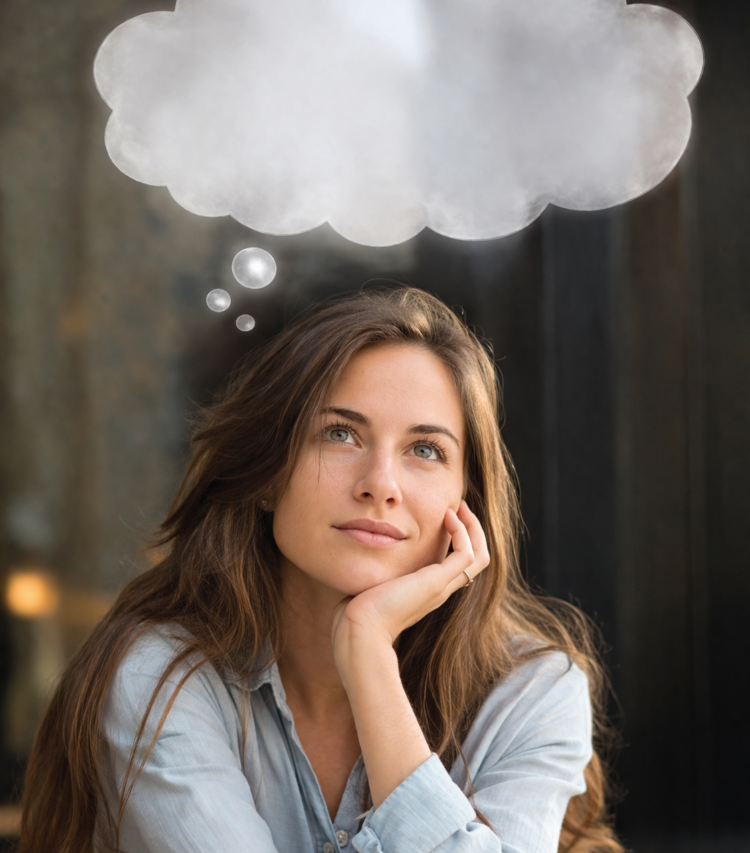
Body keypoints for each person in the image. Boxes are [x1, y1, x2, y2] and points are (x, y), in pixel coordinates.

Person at [19, 287, 623, 853]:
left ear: (465, 502)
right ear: (266, 475)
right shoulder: (162, 678)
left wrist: (368, 655)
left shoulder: (532, 693)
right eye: (340, 434)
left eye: (424, 450)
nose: (380, 485)